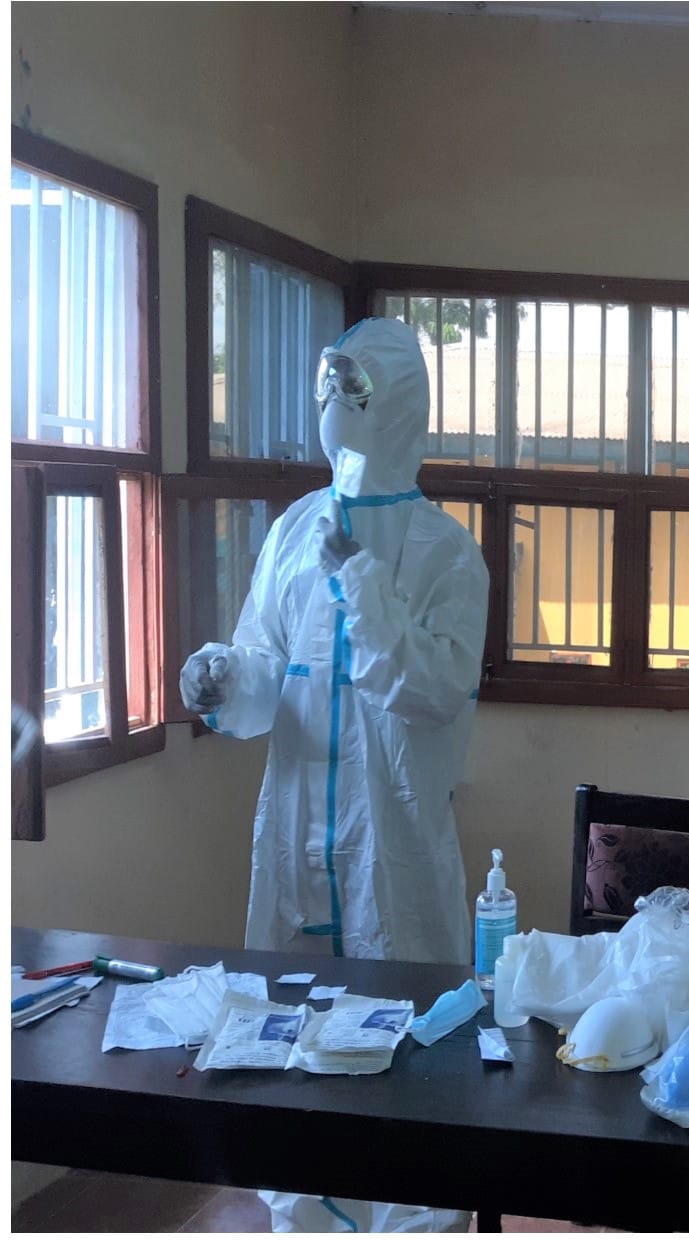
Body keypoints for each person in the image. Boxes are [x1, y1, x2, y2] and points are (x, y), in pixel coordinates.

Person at [179, 318, 486, 1231]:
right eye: (325, 394)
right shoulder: (293, 530)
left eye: (351, 396)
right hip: (297, 842)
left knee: (406, 1072)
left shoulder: (445, 554)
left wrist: (362, 586)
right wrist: (222, 679)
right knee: (293, 1058)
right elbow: (266, 666)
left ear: (395, 410)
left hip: (390, 851)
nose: (331, 413)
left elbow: (430, 690)